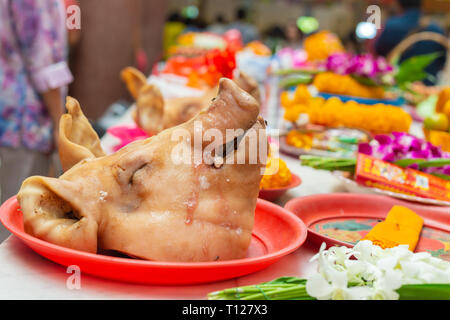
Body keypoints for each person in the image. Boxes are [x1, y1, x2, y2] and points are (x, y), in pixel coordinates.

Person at [0, 0, 73, 239]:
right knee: (16, 224)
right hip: (24, 122)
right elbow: (43, 61)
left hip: (9, 115)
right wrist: (58, 122)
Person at [374, 0, 447, 85]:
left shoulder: (391, 25)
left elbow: (378, 54)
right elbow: (441, 62)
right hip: (429, 90)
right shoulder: (437, 29)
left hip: (396, 88)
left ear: (398, 4)